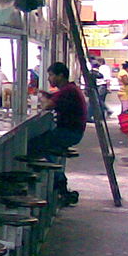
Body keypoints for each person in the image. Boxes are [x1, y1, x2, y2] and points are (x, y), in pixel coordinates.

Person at [28, 62, 88, 204]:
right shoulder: (69, 89)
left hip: (69, 133)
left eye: (51, 75)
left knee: (33, 146)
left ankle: (51, 185)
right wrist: (44, 93)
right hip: (72, 131)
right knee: (46, 147)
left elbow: (47, 105)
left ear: (61, 76)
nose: (49, 79)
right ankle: (59, 184)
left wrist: (40, 98)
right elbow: (55, 97)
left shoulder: (68, 91)